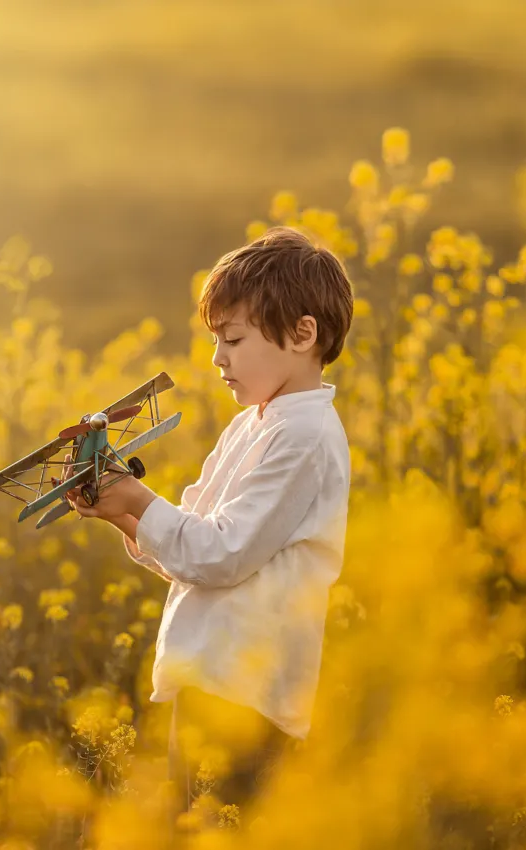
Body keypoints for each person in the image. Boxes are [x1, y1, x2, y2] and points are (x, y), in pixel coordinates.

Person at [66, 225, 354, 820]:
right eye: (216, 340)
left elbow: (219, 555)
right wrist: (121, 511)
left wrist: (138, 499)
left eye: (234, 339)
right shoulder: (258, 421)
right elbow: (192, 541)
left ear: (304, 334)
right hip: (212, 675)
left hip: (247, 688)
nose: (217, 358)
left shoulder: (303, 434)